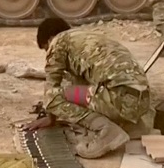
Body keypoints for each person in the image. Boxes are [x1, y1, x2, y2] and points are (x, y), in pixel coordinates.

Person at [23, 17, 155, 159]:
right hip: (141, 102)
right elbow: (82, 85)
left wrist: (50, 117)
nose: (48, 52)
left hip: (118, 99)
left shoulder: (58, 42)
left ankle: (106, 132)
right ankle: (133, 126)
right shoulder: (88, 38)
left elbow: (51, 90)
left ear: (49, 39)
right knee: (78, 91)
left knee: (55, 96)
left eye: (45, 49)